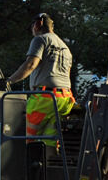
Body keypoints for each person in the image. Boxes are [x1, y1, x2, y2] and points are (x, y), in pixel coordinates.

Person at [6, 13, 74, 149]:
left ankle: (17, 168)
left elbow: (30, 65)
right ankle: (45, 166)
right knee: (48, 140)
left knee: (20, 138)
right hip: (64, 99)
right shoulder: (65, 48)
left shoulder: (41, 40)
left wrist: (8, 81)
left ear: (38, 24)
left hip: (44, 99)